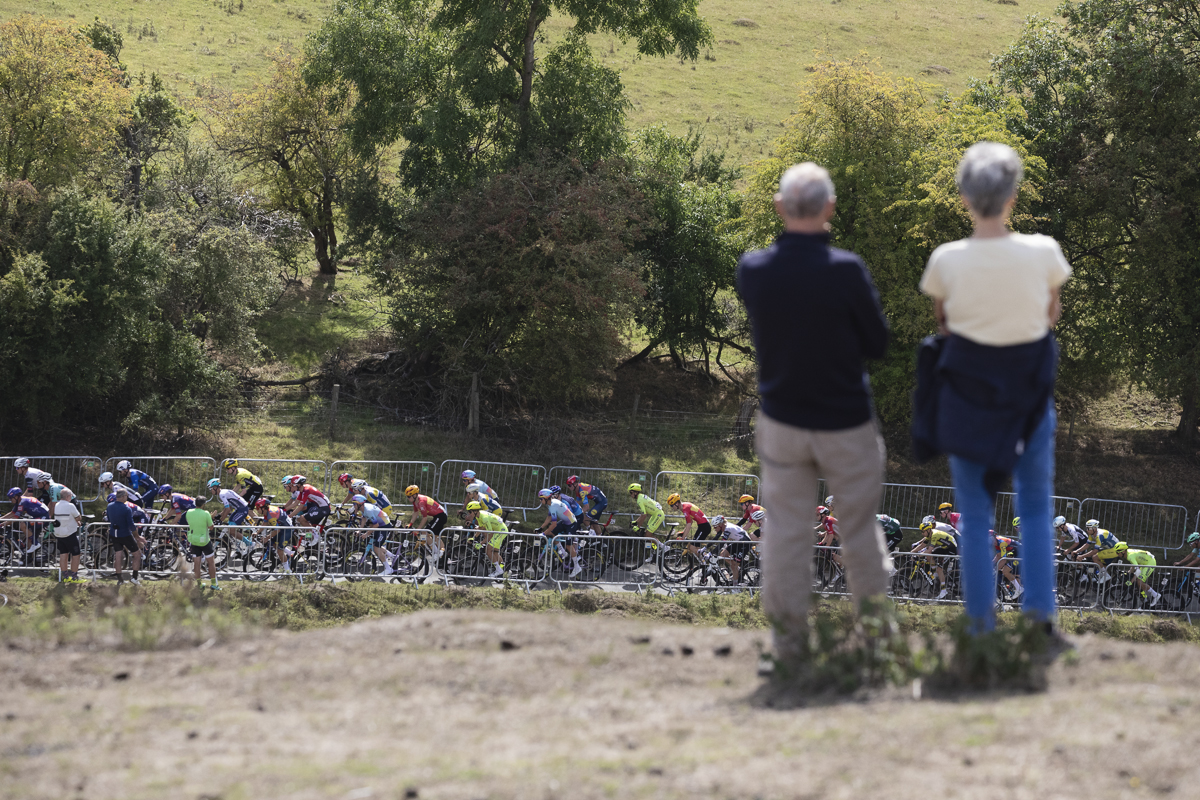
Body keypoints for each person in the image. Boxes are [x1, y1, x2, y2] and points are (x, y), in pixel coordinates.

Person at [737, 161, 893, 673]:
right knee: (858, 530)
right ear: (829, 209)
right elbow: (878, 342)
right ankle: (873, 643)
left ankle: (789, 649)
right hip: (845, 421)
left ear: (780, 207)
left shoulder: (754, 269)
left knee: (785, 533)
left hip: (782, 421)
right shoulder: (845, 270)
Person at [915, 142, 1071, 635]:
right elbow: (1050, 316)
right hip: (1028, 401)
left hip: (967, 405)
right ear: (1014, 196)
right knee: (1035, 508)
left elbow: (943, 325)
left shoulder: (946, 260)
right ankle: (1040, 622)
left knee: (975, 515)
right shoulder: (1044, 251)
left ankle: (981, 626)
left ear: (964, 196)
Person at [537, 488, 582, 577]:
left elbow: (553, 524)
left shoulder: (553, 505)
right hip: (564, 522)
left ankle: (577, 567)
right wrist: (540, 528)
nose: (540, 501)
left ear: (546, 498)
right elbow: (549, 518)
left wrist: (543, 533)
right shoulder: (550, 504)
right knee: (551, 533)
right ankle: (562, 551)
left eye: (540, 499)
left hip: (571, 523)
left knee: (569, 546)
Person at [350, 494, 396, 576]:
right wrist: (359, 531)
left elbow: (376, 525)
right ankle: (392, 556)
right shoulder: (363, 508)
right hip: (380, 525)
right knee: (376, 545)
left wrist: (367, 534)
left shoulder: (368, 510)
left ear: (359, 503)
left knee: (376, 548)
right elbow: (363, 519)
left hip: (384, 525)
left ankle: (388, 569)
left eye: (354, 503)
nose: (353, 505)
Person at [912, 520, 958, 600]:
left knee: (939, 569)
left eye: (923, 532)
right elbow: (922, 545)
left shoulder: (934, 535)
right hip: (944, 547)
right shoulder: (929, 534)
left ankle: (944, 591)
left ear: (928, 530)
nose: (922, 534)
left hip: (951, 549)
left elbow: (929, 550)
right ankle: (934, 574)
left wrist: (918, 555)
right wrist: (911, 552)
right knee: (928, 556)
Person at [105, 488, 144, 585]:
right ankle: (134, 578)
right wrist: (138, 537)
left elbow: (109, 519)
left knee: (118, 555)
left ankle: (120, 580)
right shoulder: (126, 508)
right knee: (137, 554)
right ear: (123, 497)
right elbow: (131, 525)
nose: (127, 498)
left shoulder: (109, 506)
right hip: (125, 534)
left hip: (114, 534)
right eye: (126, 496)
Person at [404, 485, 447, 568]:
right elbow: (416, 513)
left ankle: (436, 553)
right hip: (438, 516)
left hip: (441, 516)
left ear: (414, 495)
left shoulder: (421, 502)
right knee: (435, 535)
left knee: (424, 532)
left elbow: (424, 518)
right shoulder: (415, 501)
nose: (408, 498)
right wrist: (410, 524)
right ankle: (441, 552)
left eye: (409, 497)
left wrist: (417, 529)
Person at [463, 500, 509, 578]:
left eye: (470, 512)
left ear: (475, 511)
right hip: (498, 530)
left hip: (501, 531)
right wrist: (474, 538)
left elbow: (490, 534)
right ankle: (504, 569)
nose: (469, 514)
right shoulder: (479, 516)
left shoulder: (484, 517)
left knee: (488, 549)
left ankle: (499, 570)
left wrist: (481, 543)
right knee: (494, 552)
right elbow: (481, 528)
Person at [183, 503, 220, 590]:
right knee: (211, 562)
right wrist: (211, 517)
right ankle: (214, 584)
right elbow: (211, 527)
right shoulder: (206, 513)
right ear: (203, 504)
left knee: (197, 563)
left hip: (194, 540)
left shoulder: (189, 512)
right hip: (205, 541)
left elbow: (193, 521)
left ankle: (199, 584)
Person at [627, 483, 665, 564]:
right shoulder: (641, 497)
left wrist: (638, 526)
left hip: (658, 515)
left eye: (631, 492)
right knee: (647, 536)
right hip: (655, 515)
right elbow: (643, 514)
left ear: (635, 492)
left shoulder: (639, 500)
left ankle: (664, 547)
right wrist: (636, 521)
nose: (630, 495)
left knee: (648, 535)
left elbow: (644, 515)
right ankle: (654, 554)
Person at [666, 493, 711, 561]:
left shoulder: (685, 509)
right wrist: (684, 532)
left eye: (672, 505)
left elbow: (689, 524)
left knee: (692, 547)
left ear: (677, 504)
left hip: (704, 527)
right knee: (696, 549)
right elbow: (691, 521)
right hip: (702, 526)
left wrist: (683, 538)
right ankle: (704, 565)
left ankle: (708, 558)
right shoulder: (684, 506)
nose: (671, 507)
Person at [52, 487, 84, 582]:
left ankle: (65, 576)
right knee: (76, 554)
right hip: (69, 533)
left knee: (63, 554)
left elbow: (64, 518)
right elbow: (78, 517)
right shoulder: (70, 505)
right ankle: (74, 577)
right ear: (68, 496)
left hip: (59, 533)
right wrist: (77, 521)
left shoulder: (56, 505)